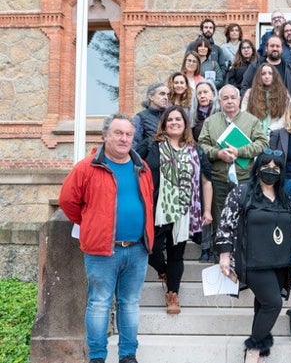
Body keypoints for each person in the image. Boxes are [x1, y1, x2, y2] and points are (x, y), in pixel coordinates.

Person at [58, 113, 155, 363]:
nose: (124, 139)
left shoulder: (141, 167)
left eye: (128, 134)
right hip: (103, 251)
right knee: (100, 303)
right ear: (105, 135)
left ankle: (128, 355)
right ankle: (98, 356)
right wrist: (91, 224)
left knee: (130, 303)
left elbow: (147, 201)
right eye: (118, 133)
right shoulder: (87, 167)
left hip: (137, 249)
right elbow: (68, 202)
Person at [216, 150, 291, 363]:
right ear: (257, 167)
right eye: (266, 165)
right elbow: (226, 223)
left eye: (276, 167)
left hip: (279, 262)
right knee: (273, 303)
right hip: (252, 261)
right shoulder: (242, 192)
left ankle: (260, 353)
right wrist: (224, 256)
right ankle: (252, 350)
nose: (271, 170)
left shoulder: (285, 197)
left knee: (263, 304)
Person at [136, 106, 213, 314]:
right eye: (170, 120)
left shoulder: (196, 150)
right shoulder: (151, 145)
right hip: (155, 208)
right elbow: (133, 165)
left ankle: (173, 295)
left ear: (185, 124)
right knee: (149, 248)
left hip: (183, 211)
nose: (174, 123)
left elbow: (206, 181)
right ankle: (163, 271)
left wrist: (207, 210)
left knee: (176, 254)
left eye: (178, 119)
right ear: (164, 123)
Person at [198, 85, 269, 260]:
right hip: (219, 179)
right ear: (220, 101)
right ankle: (220, 257)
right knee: (220, 218)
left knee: (244, 217)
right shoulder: (210, 122)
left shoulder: (251, 121)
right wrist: (217, 153)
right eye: (225, 98)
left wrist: (240, 152)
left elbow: (262, 143)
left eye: (233, 97)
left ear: (239, 100)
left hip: (244, 178)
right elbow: (201, 146)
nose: (229, 101)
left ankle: (243, 257)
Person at [241, 63, 290, 135]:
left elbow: (286, 116)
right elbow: (244, 113)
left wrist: (270, 129)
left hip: (276, 133)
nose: (267, 76)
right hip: (254, 133)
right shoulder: (249, 93)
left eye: (270, 73)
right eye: (263, 74)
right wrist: (257, 127)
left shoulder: (284, 93)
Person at [132, 82, 170, 149]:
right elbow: (134, 145)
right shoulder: (140, 118)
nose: (166, 97)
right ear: (151, 97)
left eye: (167, 95)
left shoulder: (170, 116)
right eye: (162, 94)